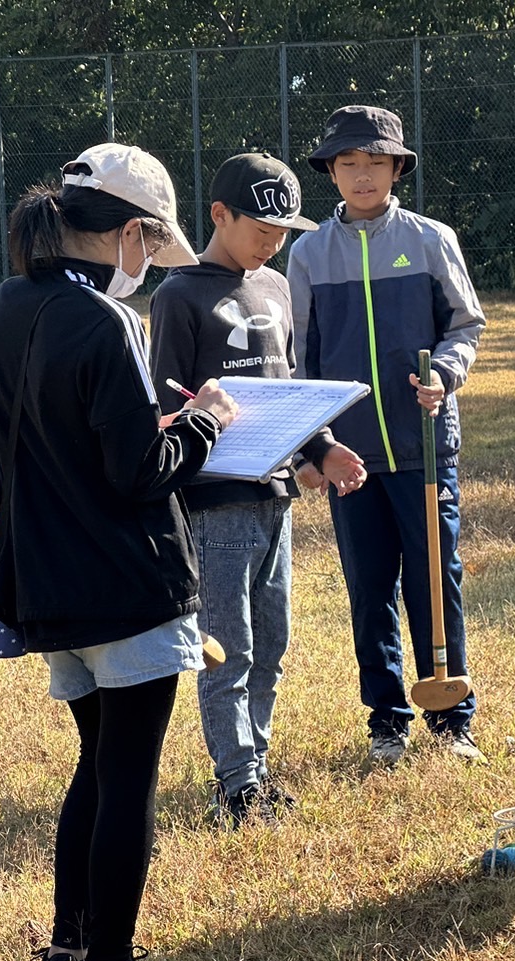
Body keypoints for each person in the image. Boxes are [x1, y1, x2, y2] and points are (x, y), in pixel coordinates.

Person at [0, 142, 239, 961]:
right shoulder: (107, 322)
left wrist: (153, 425)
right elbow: (140, 470)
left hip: (49, 584)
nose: (147, 269)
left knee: (96, 766)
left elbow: (61, 439)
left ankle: (66, 954)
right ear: (130, 232)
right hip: (127, 584)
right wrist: (203, 423)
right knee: (127, 779)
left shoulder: (5, 305)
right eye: (148, 248)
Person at [150, 152, 367, 827]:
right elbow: (164, 406)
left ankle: (257, 770)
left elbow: (286, 392)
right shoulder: (178, 295)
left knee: (271, 644)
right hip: (215, 505)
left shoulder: (273, 289)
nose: (272, 241)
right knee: (227, 649)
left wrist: (323, 449)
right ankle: (237, 786)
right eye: (260, 227)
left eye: (281, 230)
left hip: (277, 499)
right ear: (218, 215)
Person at [288, 105, 487, 768]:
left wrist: (448, 374)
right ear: (332, 172)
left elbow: (464, 324)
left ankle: (451, 715)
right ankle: (386, 720)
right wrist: (313, 447)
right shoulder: (310, 254)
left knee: (436, 580)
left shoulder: (430, 240)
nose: (361, 174)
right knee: (368, 588)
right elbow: (301, 362)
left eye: (374, 161)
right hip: (352, 461)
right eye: (348, 163)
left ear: (397, 167)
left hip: (425, 448)